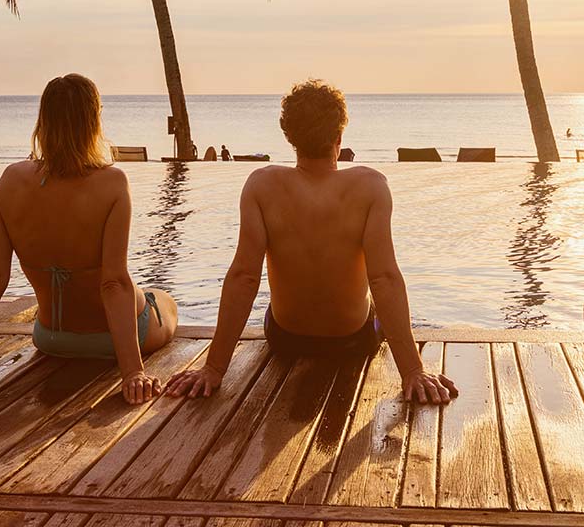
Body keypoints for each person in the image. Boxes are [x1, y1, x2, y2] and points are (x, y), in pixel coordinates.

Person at [166, 79, 457, 405]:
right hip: (353, 340)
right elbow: (384, 278)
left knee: (273, 305)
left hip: (286, 339)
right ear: (339, 136)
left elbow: (244, 277)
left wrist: (214, 368)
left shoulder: (261, 185)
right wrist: (413, 371)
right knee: (372, 303)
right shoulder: (371, 186)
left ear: (289, 136)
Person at [0, 74, 177, 403]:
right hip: (109, 342)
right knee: (163, 299)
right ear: (93, 120)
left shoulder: (10, 180)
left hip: (50, 338)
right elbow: (113, 283)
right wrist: (133, 372)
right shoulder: (112, 183)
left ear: (43, 121)